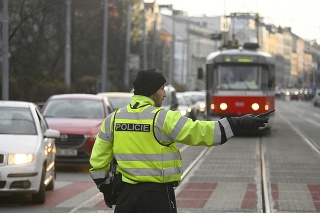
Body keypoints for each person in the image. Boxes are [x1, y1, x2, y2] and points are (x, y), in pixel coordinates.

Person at [89, 68, 268, 213]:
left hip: (126, 197)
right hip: (156, 197)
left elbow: (98, 162)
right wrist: (239, 123)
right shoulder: (162, 118)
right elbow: (201, 132)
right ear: (152, 91)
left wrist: (107, 190)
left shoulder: (113, 119)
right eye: (162, 88)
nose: (165, 94)